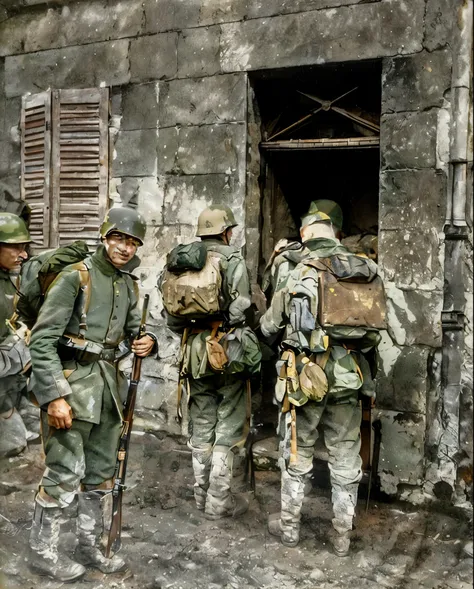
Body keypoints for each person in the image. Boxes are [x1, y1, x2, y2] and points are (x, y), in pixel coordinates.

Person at [27, 207, 157, 582]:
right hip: (72, 387)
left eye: (132, 242)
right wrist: (54, 396)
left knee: (100, 474)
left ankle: (89, 545)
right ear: (104, 237)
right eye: (119, 238)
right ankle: (43, 552)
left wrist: (146, 342)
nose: (125, 248)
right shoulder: (75, 277)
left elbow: (133, 333)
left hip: (108, 391)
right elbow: (42, 340)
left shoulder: (128, 285)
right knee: (64, 472)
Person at [260, 200, 381, 557]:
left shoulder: (298, 269)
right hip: (349, 375)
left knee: (298, 451)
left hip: (305, 377)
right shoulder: (365, 269)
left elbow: (271, 325)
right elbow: (373, 336)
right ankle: (342, 536)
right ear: (336, 234)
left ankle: (290, 530)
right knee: (346, 454)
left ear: (304, 234)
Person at [160, 205, 261, 521]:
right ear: (227, 231)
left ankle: (201, 495)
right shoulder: (231, 257)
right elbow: (242, 305)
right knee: (229, 422)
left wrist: (193, 330)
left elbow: (172, 318)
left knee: (201, 421)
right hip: (226, 347)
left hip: (193, 349)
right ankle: (219, 502)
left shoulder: (181, 260)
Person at [0, 212, 32, 534]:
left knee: (12, 442)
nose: (23, 254)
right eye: (16, 248)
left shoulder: (12, 278)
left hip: (6, 386)